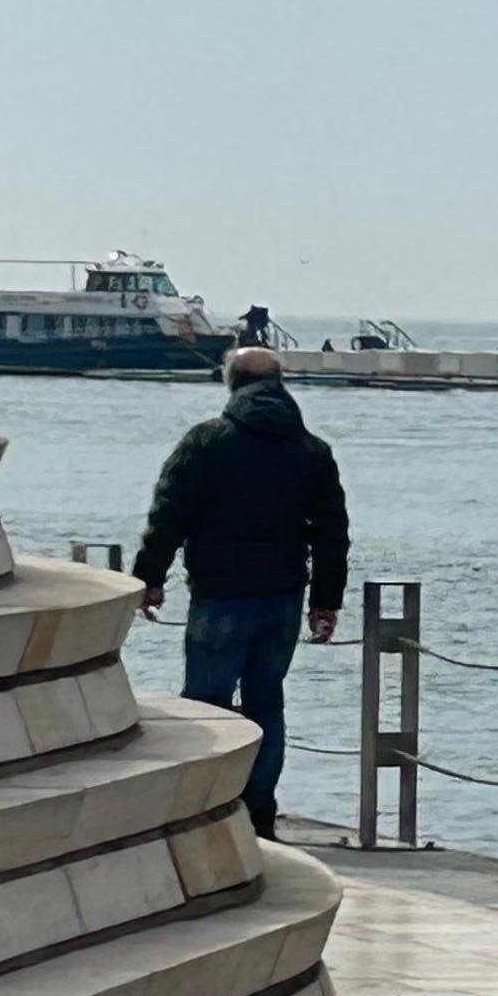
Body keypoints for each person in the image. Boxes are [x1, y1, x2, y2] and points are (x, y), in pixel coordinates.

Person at [133, 346, 349, 840]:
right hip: (283, 597)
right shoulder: (312, 451)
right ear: (281, 382)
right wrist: (326, 601)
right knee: (266, 703)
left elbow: (169, 513)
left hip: (219, 593)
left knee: (204, 704)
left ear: (231, 383)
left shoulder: (207, 441)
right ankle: (258, 812)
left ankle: (203, 809)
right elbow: (331, 533)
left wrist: (150, 579)